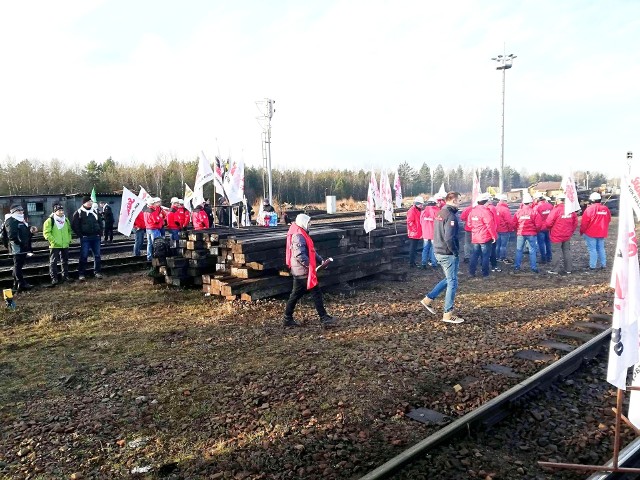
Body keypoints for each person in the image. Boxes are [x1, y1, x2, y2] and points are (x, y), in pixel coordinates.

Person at [283, 213, 337, 328]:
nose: (310, 224)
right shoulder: (298, 236)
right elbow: (299, 255)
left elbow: (311, 251)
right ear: (303, 223)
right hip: (302, 271)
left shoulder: (302, 233)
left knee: (297, 294)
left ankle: (288, 318)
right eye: (308, 222)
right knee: (314, 293)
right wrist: (310, 266)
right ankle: (323, 317)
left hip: (302, 271)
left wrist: (320, 260)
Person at [419, 191, 464, 324]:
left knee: (450, 278)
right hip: (447, 252)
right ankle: (447, 314)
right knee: (452, 282)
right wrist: (455, 251)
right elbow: (449, 237)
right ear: (454, 200)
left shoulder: (440, 212)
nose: (460, 203)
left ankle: (428, 299)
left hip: (438, 250)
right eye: (460, 200)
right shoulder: (450, 216)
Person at [71, 196, 103, 281]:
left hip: (96, 237)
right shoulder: (78, 212)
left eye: (90, 201)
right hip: (85, 238)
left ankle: (97, 272)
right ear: (84, 203)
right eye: (88, 201)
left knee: (97, 255)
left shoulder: (95, 211)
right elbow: (75, 225)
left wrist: (100, 233)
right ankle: (81, 273)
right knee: (84, 256)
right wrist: (81, 235)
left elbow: (100, 222)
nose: (90, 203)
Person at [467, 193, 498, 277]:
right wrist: (494, 236)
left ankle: (471, 272)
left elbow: (469, 224)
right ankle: (485, 274)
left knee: (475, 255)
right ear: (486, 202)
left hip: (475, 237)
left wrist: (476, 228)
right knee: (485, 256)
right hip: (485, 237)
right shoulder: (486, 212)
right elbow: (490, 225)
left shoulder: (472, 211)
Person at [546, 194, 578, 275]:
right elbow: (575, 223)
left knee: (556, 252)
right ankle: (568, 269)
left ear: (558, 200)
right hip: (567, 235)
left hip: (556, 235)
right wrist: (570, 231)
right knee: (567, 251)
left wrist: (550, 228)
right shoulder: (571, 210)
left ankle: (555, 270)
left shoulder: (556, 210)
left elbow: (548, 223)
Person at [43, 204, 74, 285]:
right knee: (53, 262)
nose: (61, 212)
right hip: (55, 245)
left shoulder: (66, 220)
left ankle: (65, 276)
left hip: (65, 244)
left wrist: (68, 240)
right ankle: (54, 278)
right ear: (55, 211)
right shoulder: (50, 220)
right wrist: (53, 241)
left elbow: (69, 231)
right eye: (59, 210)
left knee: (65, 261)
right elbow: (46, 233)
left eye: (62, 210)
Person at [579, 192, 611, 270]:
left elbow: (584, 222)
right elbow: (609, 219)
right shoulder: (605, 208)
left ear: (591, 200)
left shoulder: (589, 209)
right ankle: (603, 264)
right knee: (601, 248)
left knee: (592, 249)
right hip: (602, 232)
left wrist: (581, 231)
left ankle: (592, 266)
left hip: (591, 233)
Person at [5, 205, 33, 292]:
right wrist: (20, 243)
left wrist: (30, 231)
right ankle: (21, 283)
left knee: (18, 265)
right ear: (13, 212)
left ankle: (16, 284)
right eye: (18, 210)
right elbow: (12, 236)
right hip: (17, 247)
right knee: (17, 265)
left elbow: (23, 233)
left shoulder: (20, 220)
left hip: (22, 246)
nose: (21, 212)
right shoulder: (11, 220)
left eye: (22, 210)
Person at [511, 194, 542, 273]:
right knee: (532, 251)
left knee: (519, 250)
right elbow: (538, 224)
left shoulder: (518, 212)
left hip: (520, 233)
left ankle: (517, 266)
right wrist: (536, 231)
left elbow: (514, 223)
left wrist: (517, 230)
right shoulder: (534, 212)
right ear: (530, 203)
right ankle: (533, 267)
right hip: (532, 234)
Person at [534, 193, 553, 264]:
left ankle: (543, 258)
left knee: (541, 243)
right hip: (549, 227)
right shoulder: (550, 206)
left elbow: (535, 218)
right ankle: (549, 257)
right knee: (548, 242)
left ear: (537, 199)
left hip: (540, 228)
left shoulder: (537, 207)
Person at [419, 198, 439, 268]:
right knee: (434, 248)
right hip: (434, 233)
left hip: (425, 233)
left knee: (425, 248)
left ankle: (423, 263)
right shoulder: (437, 211)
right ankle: (434, 263)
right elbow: (439, 223)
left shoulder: (423, 212)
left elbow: (420, 222)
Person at [406, 196, 424, 268]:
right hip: (414, 233)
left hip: (416, 232)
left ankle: (413, 262)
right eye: (420, 204)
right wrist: (415, 229)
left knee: (414, 248)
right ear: (416, 203)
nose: (422, 206)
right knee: (413, 248)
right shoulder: (412, 210)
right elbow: (410, 221)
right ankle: (411, 263)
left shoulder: (417, 210)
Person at [495, 194, 513, 264]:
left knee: (498, 245)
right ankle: (502, 257)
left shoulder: (495, 208)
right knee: (503, 246)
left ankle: (497, 257)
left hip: (497, 230)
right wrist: (511, 229)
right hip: (504, 230)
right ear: (504, 201)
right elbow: (509, 221)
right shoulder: (505, 209)